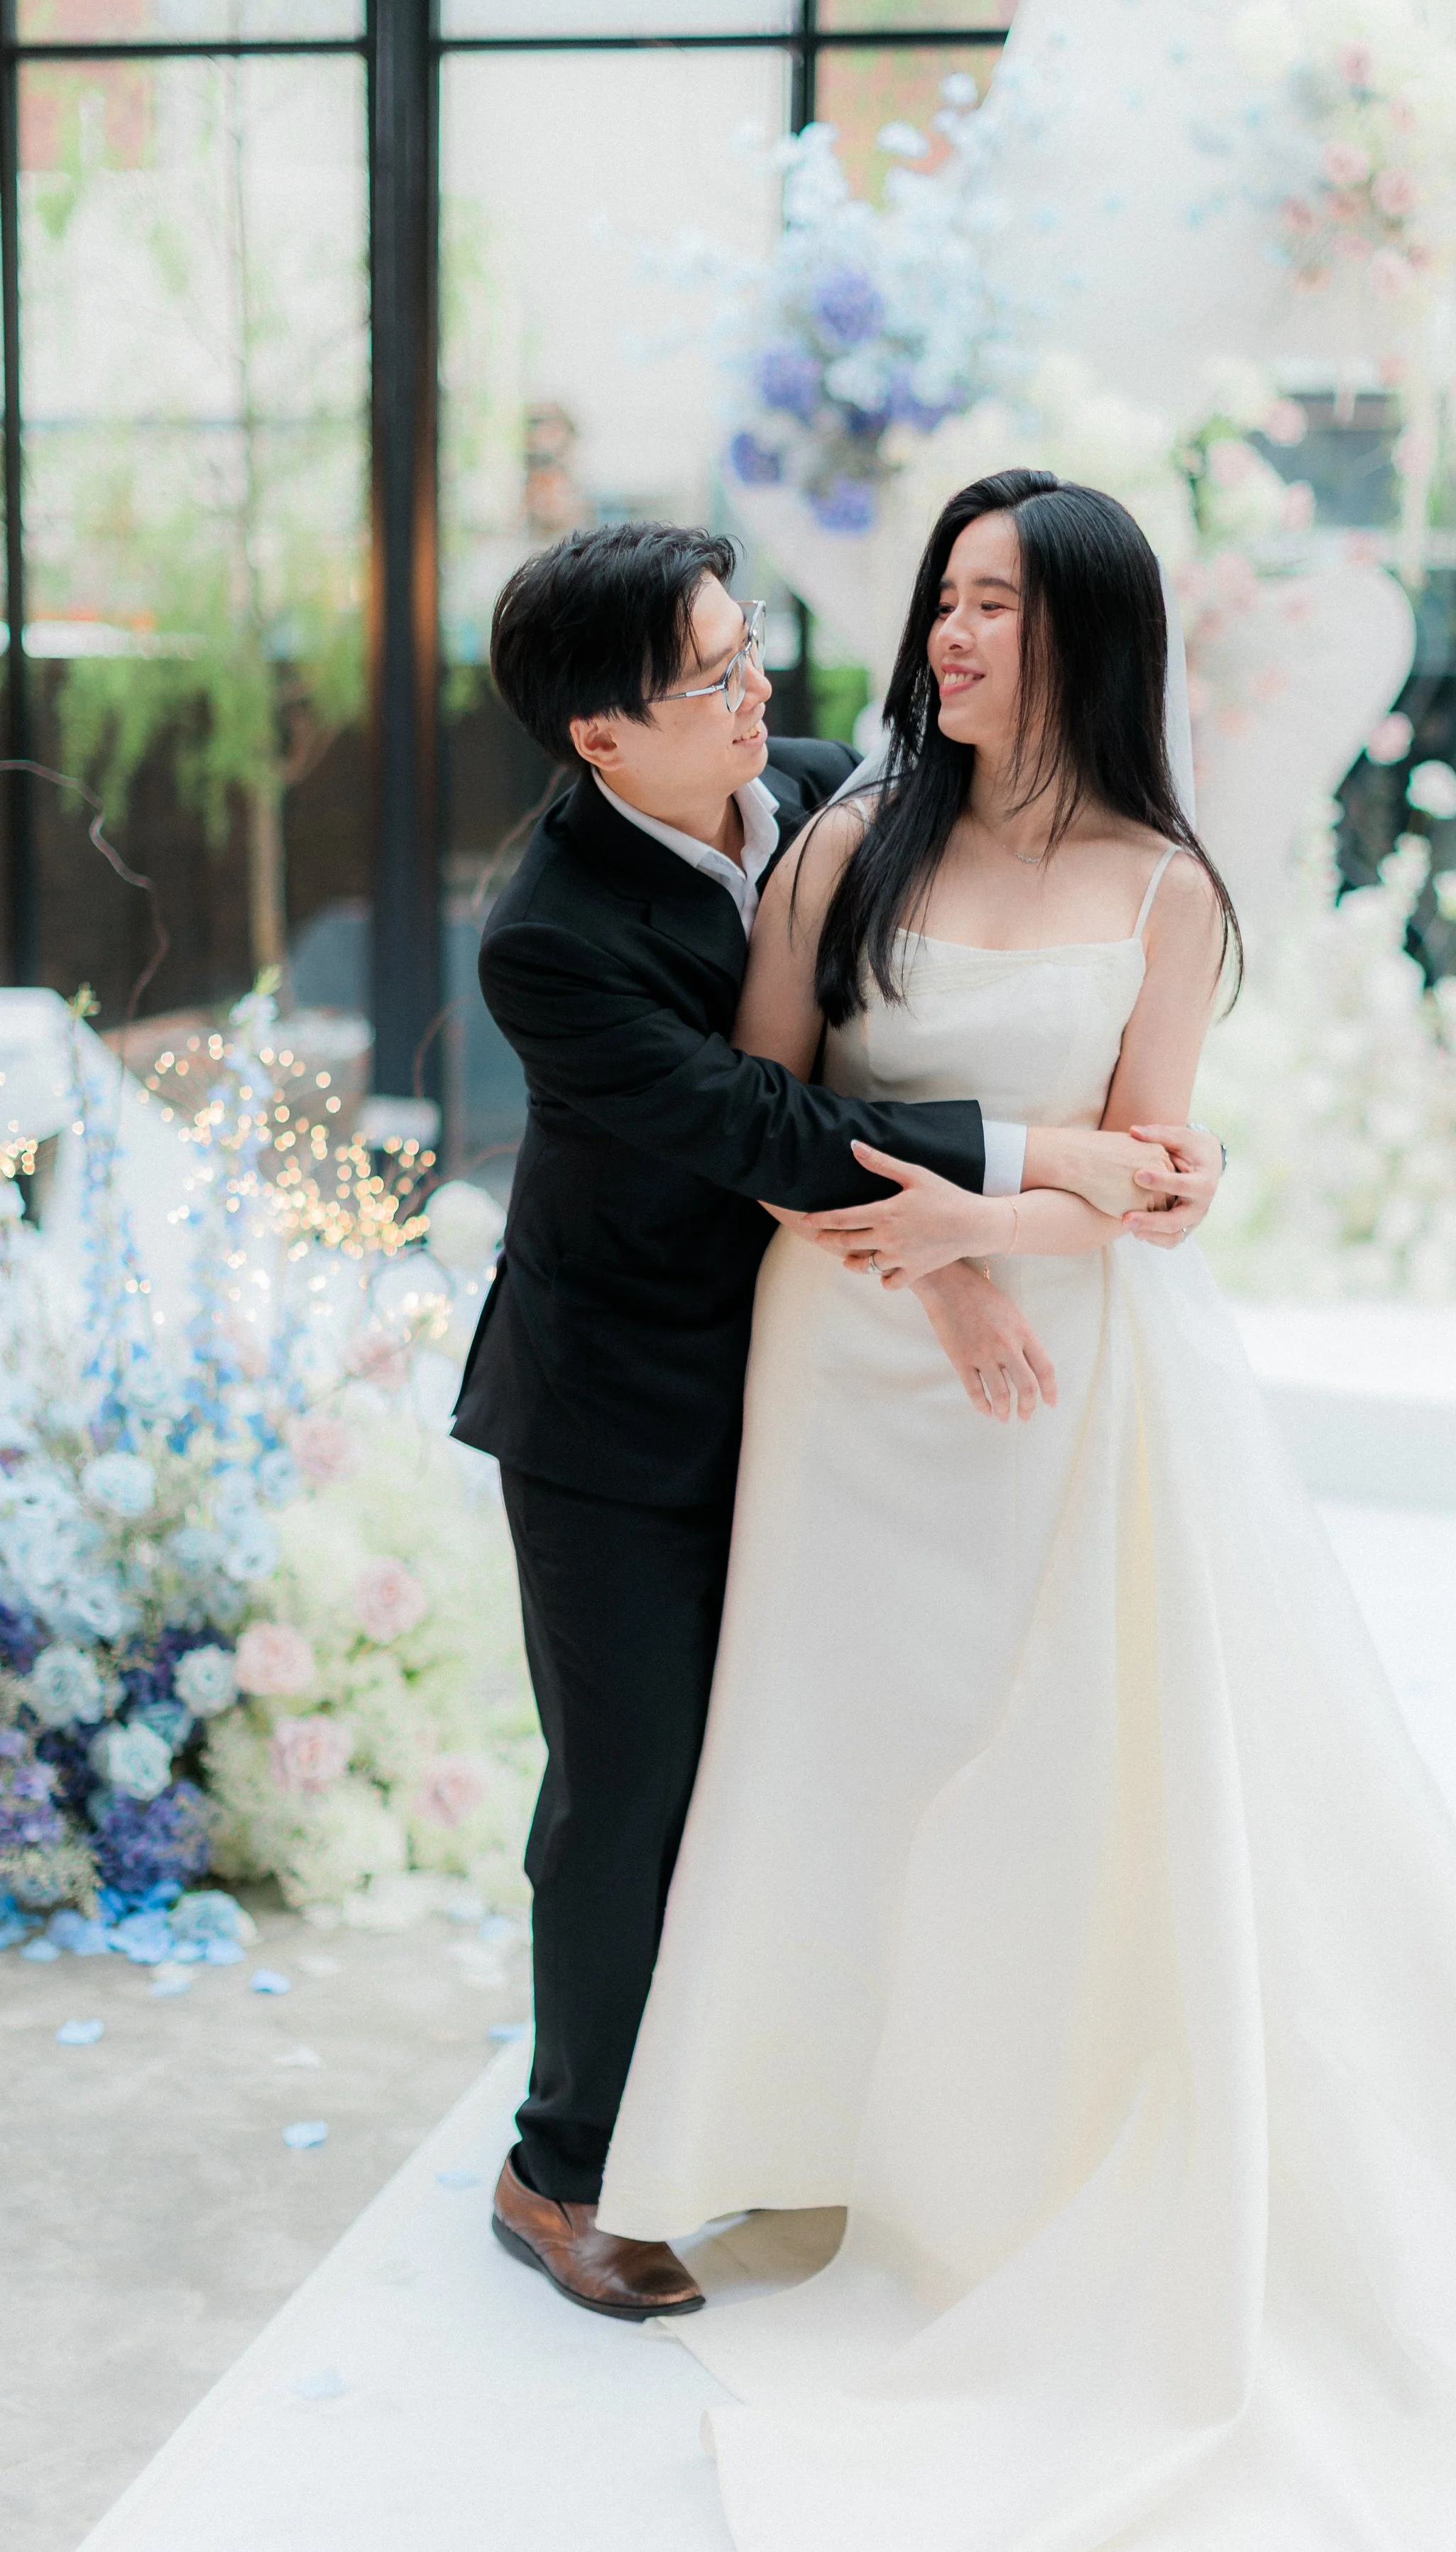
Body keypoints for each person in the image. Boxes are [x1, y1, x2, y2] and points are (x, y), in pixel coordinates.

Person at [592, 472, 1456, 2550]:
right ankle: (809, 2125)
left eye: (995, 609)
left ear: (1090, 643)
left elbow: (1152, 1162)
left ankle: (1022, 2154)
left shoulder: (1167, 887)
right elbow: (764, 1114)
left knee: (1054, 1759)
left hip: (1070, 1382)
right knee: (844, 1734)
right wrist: (943, 1261)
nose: (951, 637)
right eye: (945, 601)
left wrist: (999, 1219)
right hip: (853, 1360)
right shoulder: (850, 844)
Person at [451, 520, 1225, 2321]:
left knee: (825, 1757)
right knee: (633, 1785)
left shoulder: (815, 795)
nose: (759, 692)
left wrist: (1130, 1174)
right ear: (599, 740)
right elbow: (766, 1124)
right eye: (713, 677)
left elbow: (900, 1045)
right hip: (623, 1400)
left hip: (820, 1371)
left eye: (748, 651)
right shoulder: (547, 939)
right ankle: (559, 2166)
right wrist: (1046, 1176)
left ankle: (823, 2115)